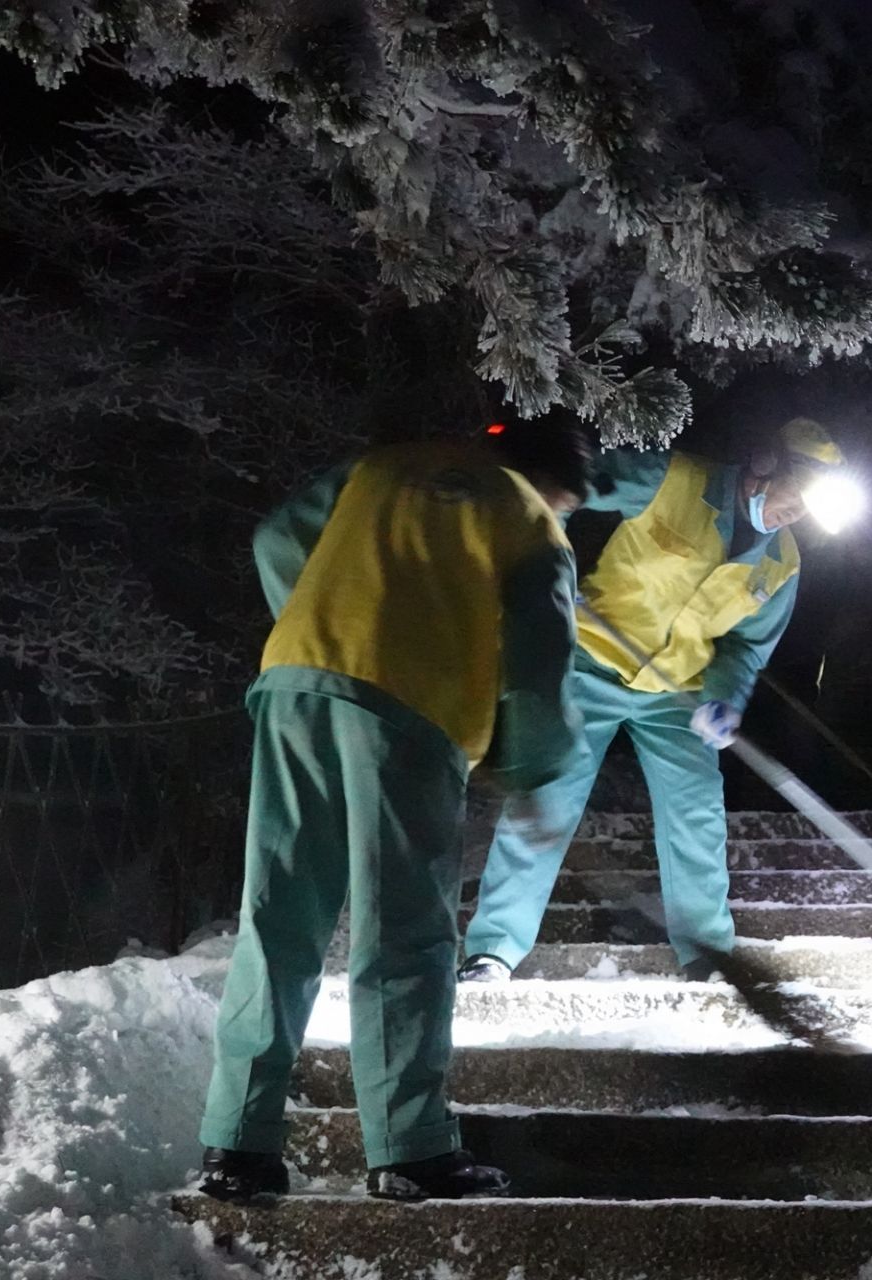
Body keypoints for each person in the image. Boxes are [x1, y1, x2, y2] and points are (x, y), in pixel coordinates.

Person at [197, 416, 590, 1204]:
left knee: (278, 913)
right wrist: (528, 767)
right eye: (569, 502)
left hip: (297, 682)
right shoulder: (527, 519)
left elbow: (278, 540)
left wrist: (325, 623)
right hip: (413, 705)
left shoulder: (382, 465)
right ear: (554, 485)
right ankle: (409, 1149)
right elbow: (541, 662)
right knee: (403, 929)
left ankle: (237, 1146)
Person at [459, 418, 848, 983]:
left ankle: (707, 956)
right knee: (548, 792)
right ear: (765, 467)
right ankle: (494, 949)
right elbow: (572, 484)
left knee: (696, 813)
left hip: (678, 691)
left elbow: (743, 647)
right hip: (592, 659)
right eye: (799, 493)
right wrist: (538, 547)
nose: (799, 511)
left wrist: (726, 700)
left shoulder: (781, 565)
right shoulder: (676, 481)